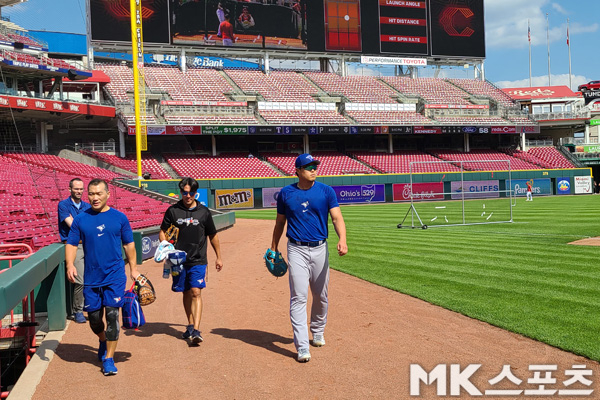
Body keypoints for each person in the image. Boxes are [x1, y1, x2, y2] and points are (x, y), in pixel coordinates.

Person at [269, 153, 348, 362]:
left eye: (315, 166)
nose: (313, 169)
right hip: (296, 249)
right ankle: (303, 346)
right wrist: (274, 247)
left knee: (321, 295)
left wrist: (343, 239)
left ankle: (318, 330)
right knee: (299, 297)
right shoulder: (286, 194)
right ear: (297, 171)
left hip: (320, 248)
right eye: (308, 166)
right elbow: (279, 223)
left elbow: (337, 217)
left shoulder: (326, 191)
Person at [65, 179, 139, 376]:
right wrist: (70, 264)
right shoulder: (81, 219)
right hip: (91, 277)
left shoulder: (120, 218)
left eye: (98, 193)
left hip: (115, 275)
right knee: (95, 319)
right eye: (91, 194)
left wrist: (133, 269)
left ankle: (109, 358)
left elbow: (129, 245)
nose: (94, 197)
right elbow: (72, 244)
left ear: (107, 194)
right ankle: (102, 340)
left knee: (113, 316)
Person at [159, 177, 223, 344]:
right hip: (177, 261)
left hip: (198, 259)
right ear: (181, 192)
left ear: (196, 192)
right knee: (185, 292)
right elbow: (163, 231)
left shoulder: (204, 212)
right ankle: (189, 325)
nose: (188, 196)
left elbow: (213, 235)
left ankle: (196, 329)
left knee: (196, 291)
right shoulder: (173, 211)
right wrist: (165, 245)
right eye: (185, 192)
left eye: (191, 192)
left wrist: (219, 257)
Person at [58, 178, 91, 324]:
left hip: (88, 244)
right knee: (80, 280)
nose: (79, 191)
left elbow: (89, 227)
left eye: (81, 189)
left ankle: (89, 306)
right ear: (69, 189)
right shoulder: (63, 205)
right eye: (76, 189)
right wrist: (80, 224)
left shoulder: (87, 206)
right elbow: (72, 226)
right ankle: (78, 310)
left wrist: (77, 223)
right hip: (73, 245)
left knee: (93, 277)